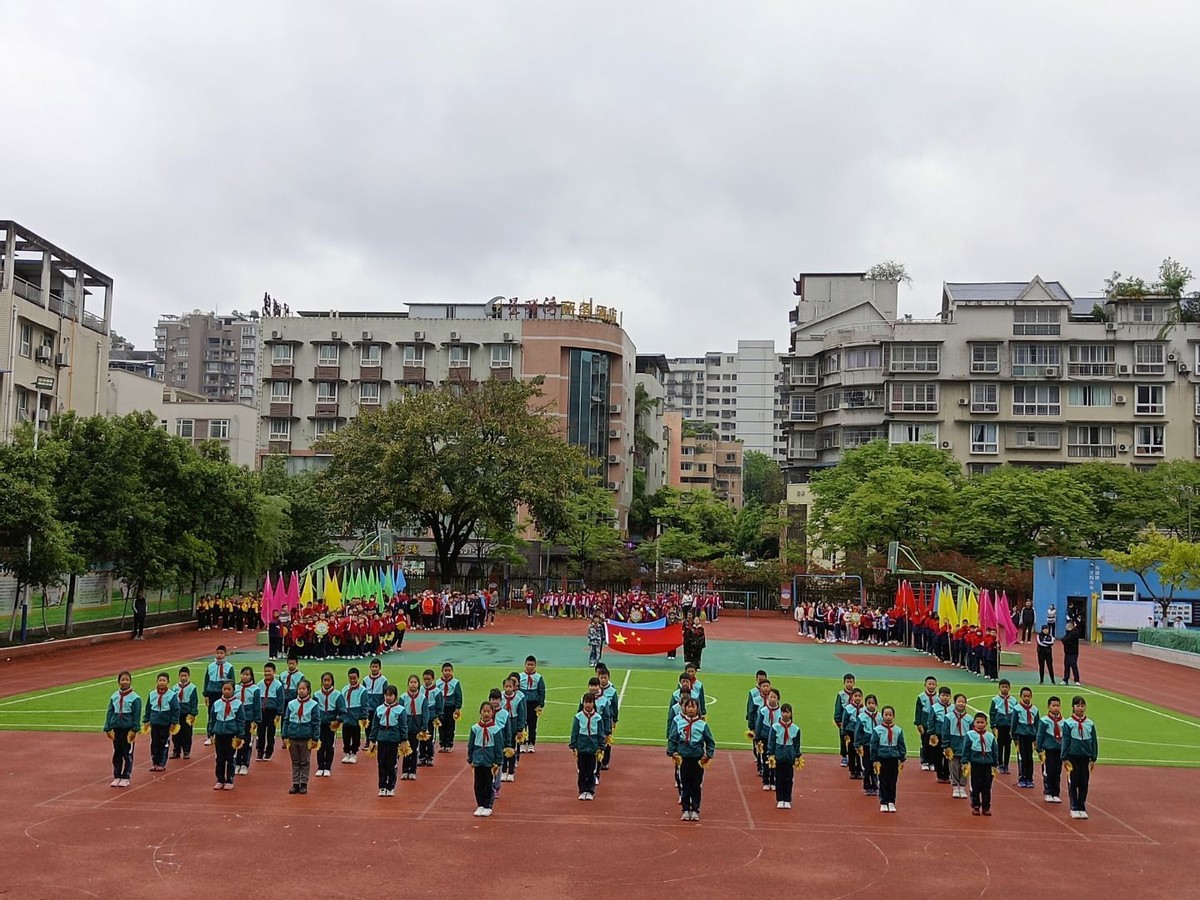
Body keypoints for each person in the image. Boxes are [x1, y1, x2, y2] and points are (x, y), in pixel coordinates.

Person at [667, 696, 715, 822]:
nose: (691, 709)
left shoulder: (702, 724)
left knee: (696, 785)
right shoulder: (678, 721)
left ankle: (695, 810)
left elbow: (710, 741)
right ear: (684, 708)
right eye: (688, 706)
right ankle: (685, 809)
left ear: (697, 708)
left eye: (693, 707)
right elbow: (672, 738)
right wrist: (672, 752)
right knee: (685, 784)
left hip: (697, 758)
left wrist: (708, 754)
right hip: (683, 758)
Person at [1061, 696, 1098, 820]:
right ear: (1073, 707)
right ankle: (1074, 807)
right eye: (1077, 706)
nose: (1080, 708)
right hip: (1073, 757)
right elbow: (1065, 740)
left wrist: (1093, 757)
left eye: (1082, 706)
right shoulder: (1068, 723)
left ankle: (1082, 807)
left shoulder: (1090, 723)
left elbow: (1094, 741)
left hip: (1085, 757)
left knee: (1084, 783)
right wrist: (1064, 757)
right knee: (1073, 782)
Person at [103, 671, 142, 787]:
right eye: (122, 680)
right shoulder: (114, 696)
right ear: (118, 682)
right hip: (117, 729)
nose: (125, 682)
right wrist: (107, 727)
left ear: (130, 681)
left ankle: (126, 776)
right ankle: (117, 775)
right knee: (117, 753)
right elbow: (110, 712)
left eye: (127, 680)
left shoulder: (135, 698)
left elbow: (136, 714)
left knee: (127, 754)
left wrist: (134, 729)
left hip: (128, 730)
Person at [283, 678, 320, 795]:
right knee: (295, 761)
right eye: (299, 688)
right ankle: (295, 783)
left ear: (308, 690)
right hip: (293, 736)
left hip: (305, 737)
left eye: (304, 689)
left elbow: (316, 722)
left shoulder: (313, 705)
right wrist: (284, 735)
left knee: (305, 762)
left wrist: (315, 738)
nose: (301, 691)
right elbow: (286, 720)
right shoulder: (291, 704)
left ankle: (303, 783)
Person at [370, 684, 407, 797]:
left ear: (395, 696)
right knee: (381, 763)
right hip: (382, 740)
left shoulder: (400, 710)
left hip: (394, 741)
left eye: (390, 695)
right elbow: (375, 726)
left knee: (392, 764)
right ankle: (382, 786)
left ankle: (390, 786)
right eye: (386, 695)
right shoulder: (379, 709)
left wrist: (404, 740)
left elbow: (403, 726)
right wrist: (372, 739)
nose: (388, 697)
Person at [468, 701, 504, 817]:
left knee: (489, 784)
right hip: (478, 761)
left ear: (492, 713)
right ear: (480, 712)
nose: (486, 714)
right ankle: (480, 805)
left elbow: (499, 746)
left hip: (490, 761)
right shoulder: (475, 728)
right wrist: (470, 758)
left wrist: (498, 761)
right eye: (484, 711)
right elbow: (471, 744)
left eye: (489, 711)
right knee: (478, 784)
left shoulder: (496, 729)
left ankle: (488, 805)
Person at [570, 692, 607, 800]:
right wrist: (573, 745)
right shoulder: (578, 717)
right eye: (586, 702)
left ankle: (590, 791)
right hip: (581, 747)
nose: (588, 705)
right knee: (581, 770)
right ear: (583, 703)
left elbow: (601, 733)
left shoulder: (598, 718)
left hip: (593, 748)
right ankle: (582, 790)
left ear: (593, 703)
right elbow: (574, 732)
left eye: (590, 702)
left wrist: (601, 746)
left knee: (591, 771)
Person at [766, 702, 802, 810]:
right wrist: (771, 754)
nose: (785, 714)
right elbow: (771, 742)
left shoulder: (795, 728)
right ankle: (780, 799)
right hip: (779, 754)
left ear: (791, 714)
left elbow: (797, 744)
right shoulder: (775, 727)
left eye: (788, 712)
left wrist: (797, 756)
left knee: (789, 778)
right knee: (779, 778)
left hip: (789, 755)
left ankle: (787, 799)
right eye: (783, 712)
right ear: (781, 713)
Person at [870, 705, 906, 813]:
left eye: (890, 715)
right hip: (882, 759)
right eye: (886, 715)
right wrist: (874, 759)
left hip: (893, 759)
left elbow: (901, 744)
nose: (888, 717)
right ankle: (883, 802)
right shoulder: (877, 730)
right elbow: (874, 745)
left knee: (892, 781)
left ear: (893, 716)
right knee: (883, 781)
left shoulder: (898, 730)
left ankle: (891, 801)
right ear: (882, 716)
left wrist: (902, 757)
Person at [210, 681, 243, 790]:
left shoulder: (238, 704)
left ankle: (229, 779)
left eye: (229, 689)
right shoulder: (217, 703)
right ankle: (220, 779)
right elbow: (212, 719)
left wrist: (240, 735)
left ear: (233, 690)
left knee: (230, 758)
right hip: (219, 734)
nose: (227, 691)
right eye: (224, 689)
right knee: (219, 758)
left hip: (231, 735)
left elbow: (240, 721)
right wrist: (210, 732)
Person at [963, 712, 998, 816]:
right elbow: (966, 749)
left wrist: (995, 763)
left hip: (987, 764)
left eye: (982, 722)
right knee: (975, 786)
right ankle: (976, 806)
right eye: (978, 722)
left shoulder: (990, 736)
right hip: (975, 764)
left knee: (987, 787)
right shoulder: (970, 735)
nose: (980, 725)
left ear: (986, 723)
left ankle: (986, 807)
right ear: (974, 723)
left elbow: (994, 750)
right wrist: (964, 761)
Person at [314, 672, 346, 778]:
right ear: (322, 681)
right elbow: (313, 710)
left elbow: (343, 711)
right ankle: (320, 767)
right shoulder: (317, 695)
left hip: (331, 726)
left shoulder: (337, 695)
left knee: (329, 746)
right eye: (325, 680)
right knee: (320, 746)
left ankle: (327, 767)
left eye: (329, 680)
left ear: (332, 681)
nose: (327, 682)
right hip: (320, 725)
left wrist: (338, 721)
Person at [943, 693, 973, 801]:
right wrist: (946, 745)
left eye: (963, 702)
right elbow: (945, 731)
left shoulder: (969, 718)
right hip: (953, 743)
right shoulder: (949, 717)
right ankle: (955, 786)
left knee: (964, 766)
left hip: (965, 744)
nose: (961, 704)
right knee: (954, 766)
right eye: (959, 701)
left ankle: (963, 787)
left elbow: (972, 733)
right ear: (954, 703)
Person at [202, 645, 234, 746]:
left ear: (225, 654)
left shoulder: (229, 667)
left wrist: (231, 694)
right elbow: (206, 680)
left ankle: (222, 734)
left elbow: (232, 682)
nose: (219, 655)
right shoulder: (210, 666)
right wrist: (205, 694)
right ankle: (210, 736)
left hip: (223, 694)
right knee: (211, 714)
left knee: (223, 714)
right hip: (212, 693)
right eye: (218, 653)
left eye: (221, 653)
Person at [1036, 695, 1065, 804]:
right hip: (1048, 750)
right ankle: (1048, 792)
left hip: (1059, 750)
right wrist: (1039, 748)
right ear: (1048, 706)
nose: (1056, 708)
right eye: (1053, 706)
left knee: (1057, 772)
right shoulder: (1044, 720)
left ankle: (1056, 793)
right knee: (1048, 771)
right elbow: (1040, 735)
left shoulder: (1064, 721)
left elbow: (1065, 737)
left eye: (1058, 706)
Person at [400, 675, 430, 782]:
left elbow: (425, 713)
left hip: (416, 726)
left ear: (418, 684)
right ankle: (405, 770)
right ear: (408, 684)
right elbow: (399, 712)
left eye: (415, 682)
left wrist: (424, 727)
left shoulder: (422, 698)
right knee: (405, 748)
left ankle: (412, 771)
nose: (413, 684)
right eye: (411, 682)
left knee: (414, 749)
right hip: (406, 726)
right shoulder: (403, 697)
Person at [233, 666, 261, 776]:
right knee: (237, 741)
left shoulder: (255, 689)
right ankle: (237, 763)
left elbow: (257, 706)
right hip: (237, 719)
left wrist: (256, 720)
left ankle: (245, 763)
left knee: (247, 742)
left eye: (247, 674)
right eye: (243, 674)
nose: (244, 676)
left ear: (251, 676)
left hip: (248, 719)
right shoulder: (236, 687)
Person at [1012, 686, 1040, 789]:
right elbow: (1014, 723)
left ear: (1031, 696)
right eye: (1025, 696)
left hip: (1031, 736)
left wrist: (1036, 737)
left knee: (1029, 758)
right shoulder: (1017, 709)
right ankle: (1022, 778)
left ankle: (1029, 778)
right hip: (1021, 736)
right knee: (1022, 757)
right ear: (1021, 696)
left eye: (1028, 696)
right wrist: (1014, 737)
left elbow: (1037, 724)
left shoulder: (1035, 710)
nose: (1027, 698)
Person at [341, 667, 369, 765]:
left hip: (356, 717)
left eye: (354, 678)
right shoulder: (345, 689)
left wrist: (363, 717)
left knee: (355, 737)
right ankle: (347, 752)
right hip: (346, 717)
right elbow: (341, 703)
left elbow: (365, 705)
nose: (352, 680)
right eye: (350, 678)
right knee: (346, 737)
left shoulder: (362, 690)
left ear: (358, 678)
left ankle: (354, 753)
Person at [169, 666, 198, 760]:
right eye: (182, 676)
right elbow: (171, 701)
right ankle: (176, 750)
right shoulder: (174, 688)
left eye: (185, 676)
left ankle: (186, 751)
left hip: (187, 714)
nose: (183, 678)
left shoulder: (192, 688)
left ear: (188, 676)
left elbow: (194, 701)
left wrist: (193, 713)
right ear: (179, 676)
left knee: (187, 733)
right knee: (176, 733)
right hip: (177, 714)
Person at [257, 662, 283, 761]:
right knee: (260, 732)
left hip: (272, 712)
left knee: (271, 733)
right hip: (261, 711)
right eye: (265, 671)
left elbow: (281, 699)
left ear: (274, 672)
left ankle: (269, 752)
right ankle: (260, 751)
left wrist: (279, 713)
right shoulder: (260, 684)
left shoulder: (278, 685)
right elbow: (257, 699)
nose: (267, 673)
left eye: (269, 671)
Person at [989, 679, 1016, 775]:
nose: (1004, 689)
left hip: (1009, 726)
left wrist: (1014, 727)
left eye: (1006, 687)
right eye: (1002, 687)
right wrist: (993, 726)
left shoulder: (1013, 700)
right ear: (999, 687)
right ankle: (999, 764)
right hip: (999, 726)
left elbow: (1016, 714)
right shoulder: (995, 700)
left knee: (1008, 745)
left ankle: (1006, 764)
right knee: (999, 745)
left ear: (1009, 688)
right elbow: (992, 713)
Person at [519, 656, 546, 752]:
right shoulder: (520, 676)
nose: (530, 667)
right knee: (522, 724)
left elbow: (542, 691)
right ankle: (522, 743)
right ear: (525, 665)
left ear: (535, 665)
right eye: (528, 664)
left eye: (532, 665)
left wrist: (541, 704)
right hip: (523, 704)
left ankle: (531, 743)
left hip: (534, 704)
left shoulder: (538, 677)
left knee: (532, 724)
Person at [437, 662, 463, 753]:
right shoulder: (438, 682)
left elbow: (459, 695)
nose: (447, 672)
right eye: (445, 670)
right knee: (441, 726)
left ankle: (449, 744)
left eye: (449, 670)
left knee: (450, 726)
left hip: (451, 707)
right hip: (441, 708)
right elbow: (436, 695)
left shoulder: (455, 682)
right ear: (442, 671)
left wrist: (458, 707)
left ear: (452, 671)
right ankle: (442, 744)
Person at [915, 676, 938, 772]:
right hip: (925, 723)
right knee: (925, 743)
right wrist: (918, 724)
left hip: (935, 724)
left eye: (933, 684)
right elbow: (918, 712)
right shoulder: (921, 697)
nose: (931, 686)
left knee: (934, 743)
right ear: (925, 685)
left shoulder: (938, 697)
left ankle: (932, 762)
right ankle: (925, 762)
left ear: (936, 685)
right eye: (929, 684)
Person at [833, 673, 856, 769]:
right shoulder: (841, 694)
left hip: (854, 722)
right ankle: (844, 756)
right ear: (844, 683)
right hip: (844, 722)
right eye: (847, 682)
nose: (849, 684)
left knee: (854, 740)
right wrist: (838, 720)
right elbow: (838, 708)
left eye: (851, 682)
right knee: (843, 739)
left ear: (854, 683)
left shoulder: (856, 694)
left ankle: (852, 758)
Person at [1061, 620, 1083, 686]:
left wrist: (1065, 641)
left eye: (1069, 625)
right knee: (1066, 666)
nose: (1067, 627)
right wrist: (1065, 640)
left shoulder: (1074, 633)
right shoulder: (1068, 633)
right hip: (1067, 652)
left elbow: (1066, 639)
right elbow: (1063, 639)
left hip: (1073, 653)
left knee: (1073, 666)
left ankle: (1077, 680)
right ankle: (1065, 679)